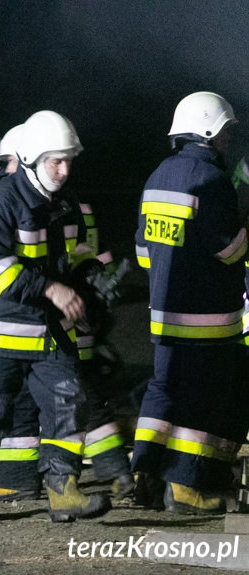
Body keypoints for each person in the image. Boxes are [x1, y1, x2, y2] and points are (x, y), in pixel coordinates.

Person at [0, 110, 111, 522]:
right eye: (54, 161)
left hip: (50, 333)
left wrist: (90, 277)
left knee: (68, 404)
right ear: (29, 160)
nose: (63, 170)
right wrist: (50, 288)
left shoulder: (64, 204)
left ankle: (63, 491)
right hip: (0, 334)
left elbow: (73, 256)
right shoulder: (0, 202)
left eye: (67, 160)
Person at [133, 91, 249, 514]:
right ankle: (185, 490)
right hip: (207, 319)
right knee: (200, 403)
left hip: (163, 316)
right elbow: (230, 251)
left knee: (163, 394)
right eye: (224, 132)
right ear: (208, 132)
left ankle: (143, 474)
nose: (228, 141)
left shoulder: (157, 176)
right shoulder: (212, 182)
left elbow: (143, 252)